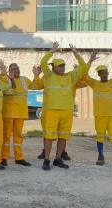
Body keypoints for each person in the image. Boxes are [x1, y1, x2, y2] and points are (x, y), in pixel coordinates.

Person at [39, 42, 94, 171]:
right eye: (59, 66)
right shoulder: (49, 76)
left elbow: (83, 68)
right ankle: (46, 160)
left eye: (63, 66)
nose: (62, 68)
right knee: (49, 136)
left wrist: (75, 53)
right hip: (52, 111)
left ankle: (58, 159)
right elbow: (43, 63)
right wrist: (52, 51)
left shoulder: (71, 77)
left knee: (63, 136)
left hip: (67, 111)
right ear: (54, 68)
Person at [1, 62, 33, 167]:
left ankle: (19, 158)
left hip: (20, 113)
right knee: (6, 136)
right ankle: (4, 157)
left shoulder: (24, 80)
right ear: (9, 71)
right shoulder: (5, 79)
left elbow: (37, 85)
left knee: (18, 137)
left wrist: (37, 75)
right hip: (8, 113)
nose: (17, 70)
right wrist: (3, 71)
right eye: (14, 69)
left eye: (17, 68)